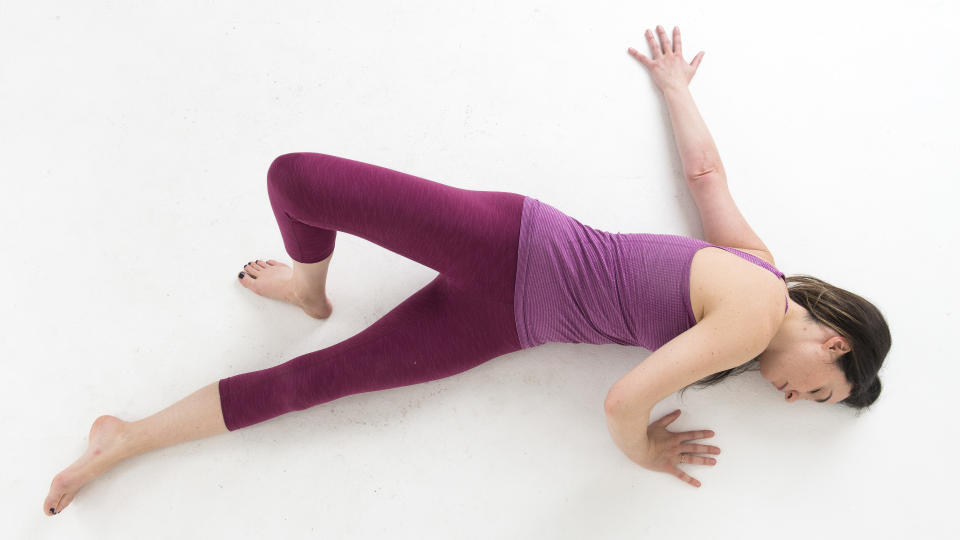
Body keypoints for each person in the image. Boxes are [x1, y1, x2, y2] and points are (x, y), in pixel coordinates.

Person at [43, 25, 890, 515]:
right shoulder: (753, 308)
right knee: (297, 179)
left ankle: (125, 437)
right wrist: (640, 454)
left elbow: (707, 180)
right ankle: (308, 285)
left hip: (506, 322)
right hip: (512, 246)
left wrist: (677, 89)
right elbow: (624, 400)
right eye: (818, 388)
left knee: (314, 383)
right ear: (834, 336)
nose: (791, 398)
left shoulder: (757, 269)